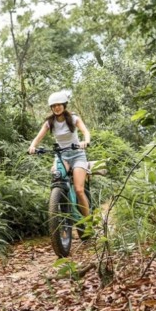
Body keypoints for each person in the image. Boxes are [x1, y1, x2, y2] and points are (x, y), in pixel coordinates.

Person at [28, 90, 92, 231]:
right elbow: (38, 138)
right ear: (51, 107)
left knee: (79, 189)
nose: (56, 108)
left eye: (59, 105)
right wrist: (32, 146)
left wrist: (85, 141)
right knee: (57, 177)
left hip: (77, 155)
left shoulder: (73, 119)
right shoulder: (49, 122)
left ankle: (88, 223)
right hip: (62, 156)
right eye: (54, 106)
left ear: (64, 105)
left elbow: (85, 132)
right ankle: (62, 205)